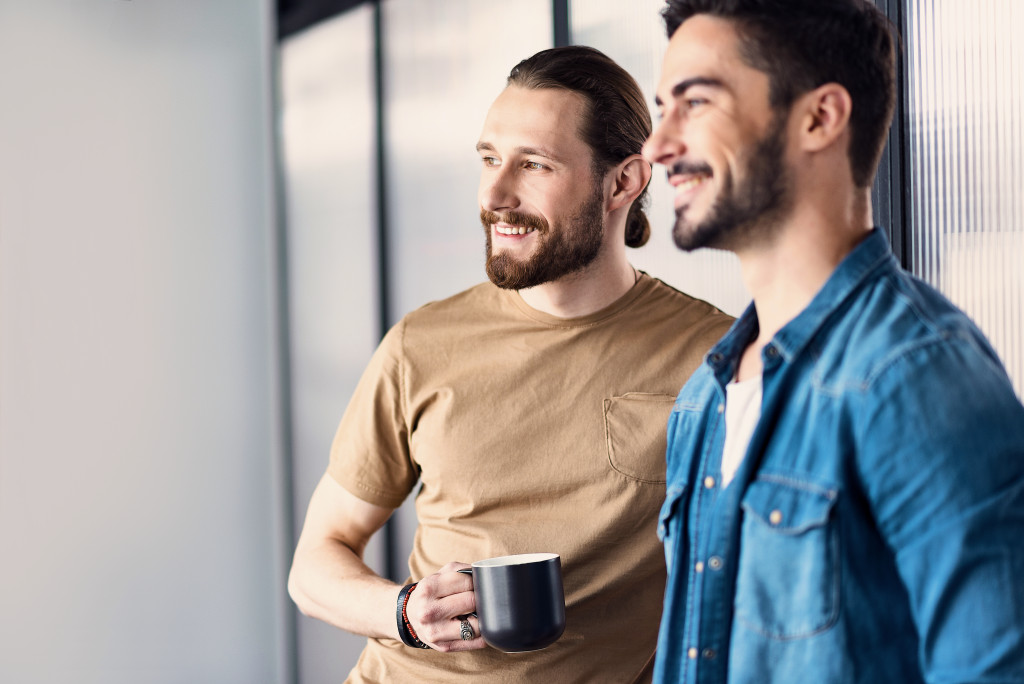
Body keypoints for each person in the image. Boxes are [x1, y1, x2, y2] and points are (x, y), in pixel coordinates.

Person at [288, 45, 734, 683]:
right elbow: (313, 566)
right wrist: (405, 613)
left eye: (535, 165)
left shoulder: (713, 356)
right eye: (490, 159)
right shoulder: (421, 344)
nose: (495, 194)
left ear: (623, 182)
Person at [641, 1, 1024, 682]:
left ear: (819, 118)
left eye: (694, 103)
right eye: (660, 106)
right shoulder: (704, 399)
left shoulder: (918, 377)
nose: (657, 146)